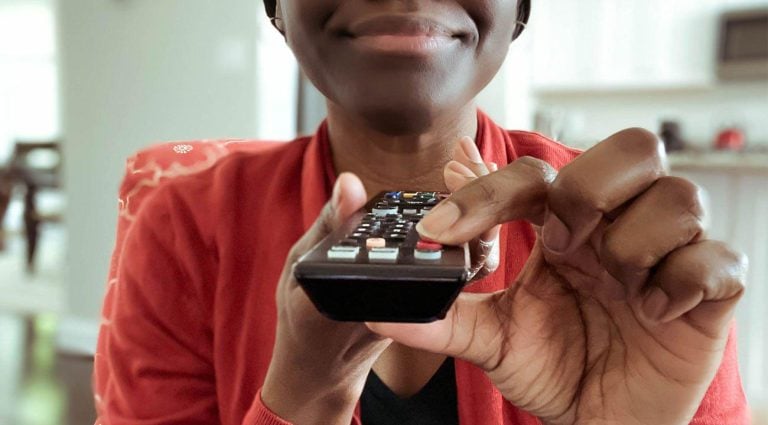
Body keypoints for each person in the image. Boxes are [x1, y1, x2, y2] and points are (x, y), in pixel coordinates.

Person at [94, 1, 750, 424]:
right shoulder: (182, 221)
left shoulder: (619, 236)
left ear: (519, 8)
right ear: (275, 8)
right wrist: (303, 399)